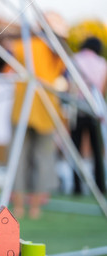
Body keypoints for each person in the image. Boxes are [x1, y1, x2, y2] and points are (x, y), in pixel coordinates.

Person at [0, 33, 66, 219]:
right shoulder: (57, 49)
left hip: (23, 106)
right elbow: (60, 72)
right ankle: (35, 208)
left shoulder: (24, 44)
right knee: (43, 157)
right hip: (47, 106)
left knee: (18, 156)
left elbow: (0, 68)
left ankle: (18, 207)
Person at [70, 37, 107, 195]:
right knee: (97, 151)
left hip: (77, 109)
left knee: (75, 150)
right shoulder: (102, 63)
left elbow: (70, 85)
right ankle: (100, 186)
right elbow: (101, 89)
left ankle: (76, 187)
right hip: (94, 111)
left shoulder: (74, 59)